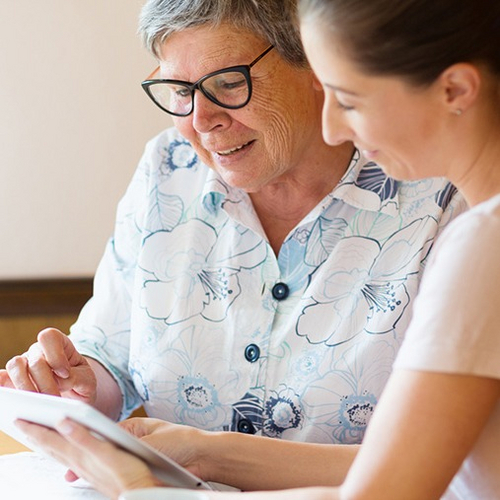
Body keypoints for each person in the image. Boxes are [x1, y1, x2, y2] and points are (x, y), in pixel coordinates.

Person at [7, 0, 486, 497]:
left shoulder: (442, 190)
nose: (201, 119)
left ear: (316, 66)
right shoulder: (168, 170)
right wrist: (80, 388)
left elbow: (445, 470)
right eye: (179, 91)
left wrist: (203, 456)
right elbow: (113, 352)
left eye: (229, 83)